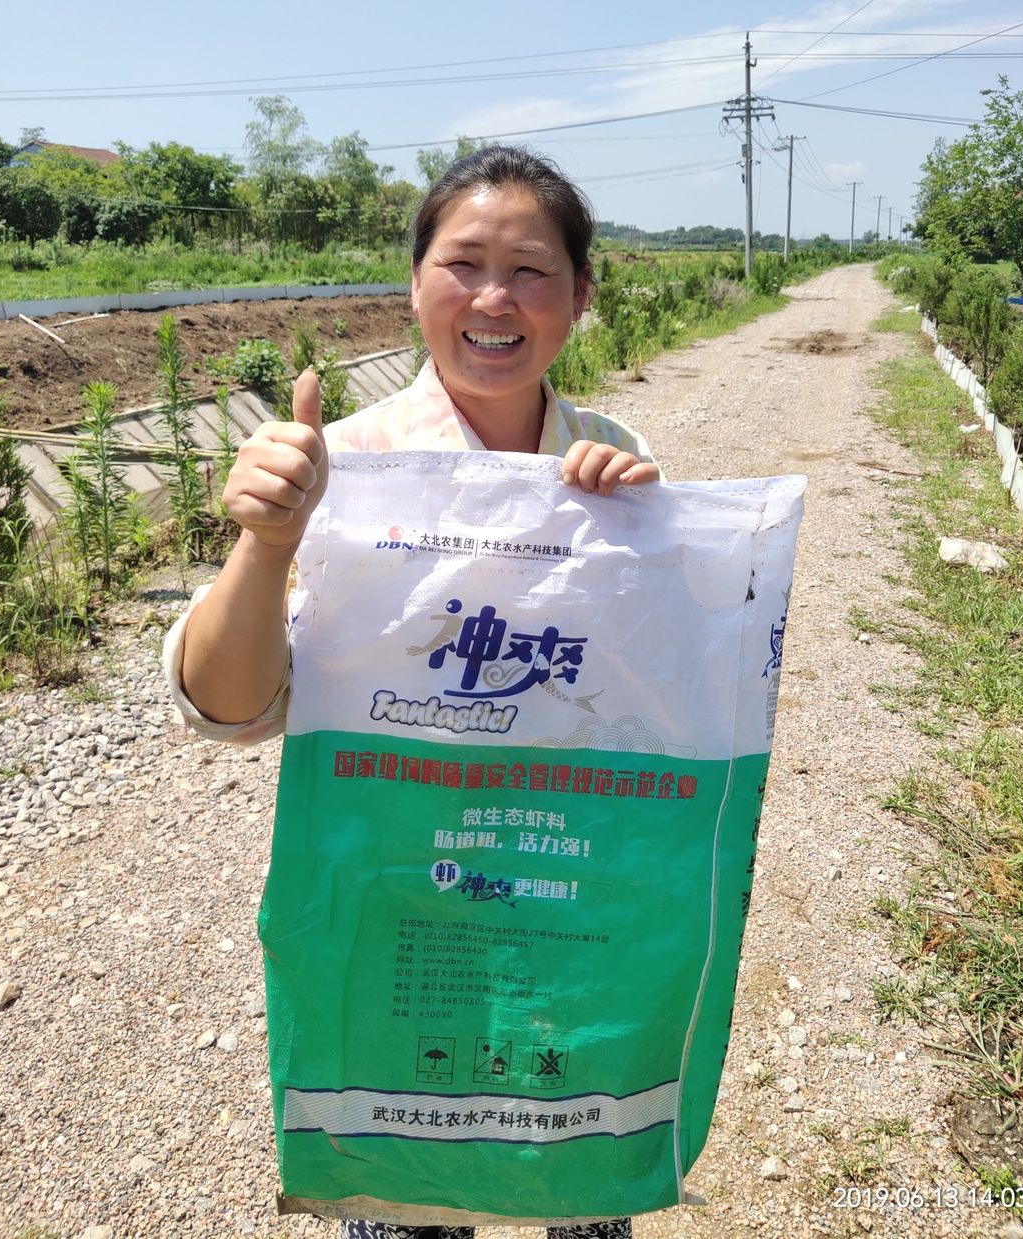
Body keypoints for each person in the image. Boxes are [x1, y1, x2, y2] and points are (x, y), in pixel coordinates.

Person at [164, 145, 660, 1239]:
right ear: (415, 283)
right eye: (463, 262)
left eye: (531, 270)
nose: (494, 298)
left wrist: (649, 548)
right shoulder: (340, 466)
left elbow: (650, 701)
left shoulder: (616, 460)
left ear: (581, 293)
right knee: (402, 1200)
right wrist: (264, 544)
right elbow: (227, 708)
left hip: (560, 889)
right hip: (398, 901)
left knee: (581, 1185)